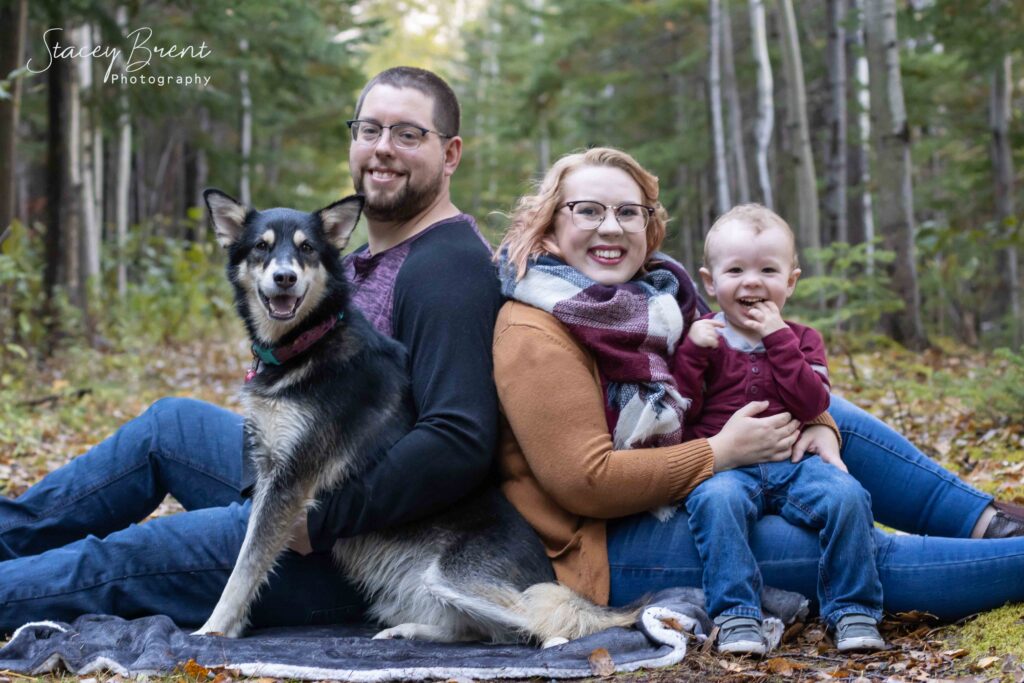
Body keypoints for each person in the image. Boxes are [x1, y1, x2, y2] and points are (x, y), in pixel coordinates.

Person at [0, 66, 503, 634]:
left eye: (408, 134)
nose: (382, 148)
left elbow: (460, 438)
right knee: (170, 426)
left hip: (351, 549)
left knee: (128, 555)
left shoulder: (449, 269)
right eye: (369, 129)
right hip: (301, 479)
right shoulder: (363, 255)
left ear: (451, 153)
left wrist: (322, 521)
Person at [493, 147, 1024, 653]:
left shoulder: (655, 298)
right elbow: (587, 484)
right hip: (604, 544)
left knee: (826, 414)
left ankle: (990, 524)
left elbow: (750, 374)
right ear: (550, 225)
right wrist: (720, 454)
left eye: (628, 211)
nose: (611, 226)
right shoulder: (535, 331)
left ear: (648, 225)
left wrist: (817, 420)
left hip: (675, 490)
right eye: (587, 210)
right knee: (849, 546)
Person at [676, 204, 881, 654]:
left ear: (790, 281)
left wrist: (777, 340)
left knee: (847, 495)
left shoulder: (802, 339)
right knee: (715, 501)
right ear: (711, 283)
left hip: (794, 464)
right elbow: (682, 411)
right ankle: (736, 615)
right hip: (727, 470)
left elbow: (813, 402)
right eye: (736, 270)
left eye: (768, 269)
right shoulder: (702, 338)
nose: (751, 281)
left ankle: (853, 609)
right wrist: (690, 354)